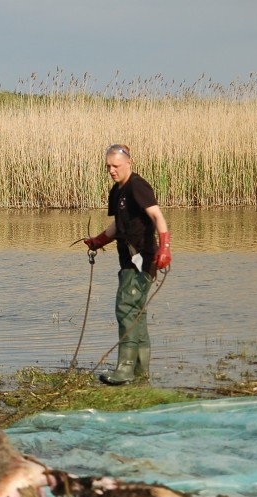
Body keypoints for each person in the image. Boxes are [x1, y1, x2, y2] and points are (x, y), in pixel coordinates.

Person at [84, 144, 171, 385]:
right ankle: (141, 372)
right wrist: (97, 241)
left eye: (115, 166)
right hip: (127, 260)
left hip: (142, 259)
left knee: (125, 308)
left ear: (128, 164)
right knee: (136, 314)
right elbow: (117, 227)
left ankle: (124, 369)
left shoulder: (137, 186)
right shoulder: (117, 192)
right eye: (108, 167)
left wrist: (164, 247)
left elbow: (157, 216)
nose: (111, 170)